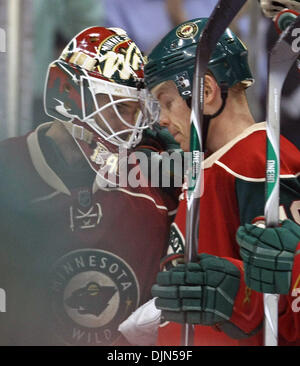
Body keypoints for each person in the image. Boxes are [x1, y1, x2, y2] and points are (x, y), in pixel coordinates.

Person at [119, 18, 300, 346]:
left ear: (205, 91)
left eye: (167, 101)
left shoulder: (258, 160)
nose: (161, 118)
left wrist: (238, 295)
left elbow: (284, 294)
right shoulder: (210, 164)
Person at [0, 26, 179, 346]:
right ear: (68, 95)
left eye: (138, 111)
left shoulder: (156, 182)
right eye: (122, 108)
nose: (133, 128)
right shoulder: (7, 169)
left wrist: (187, 183)